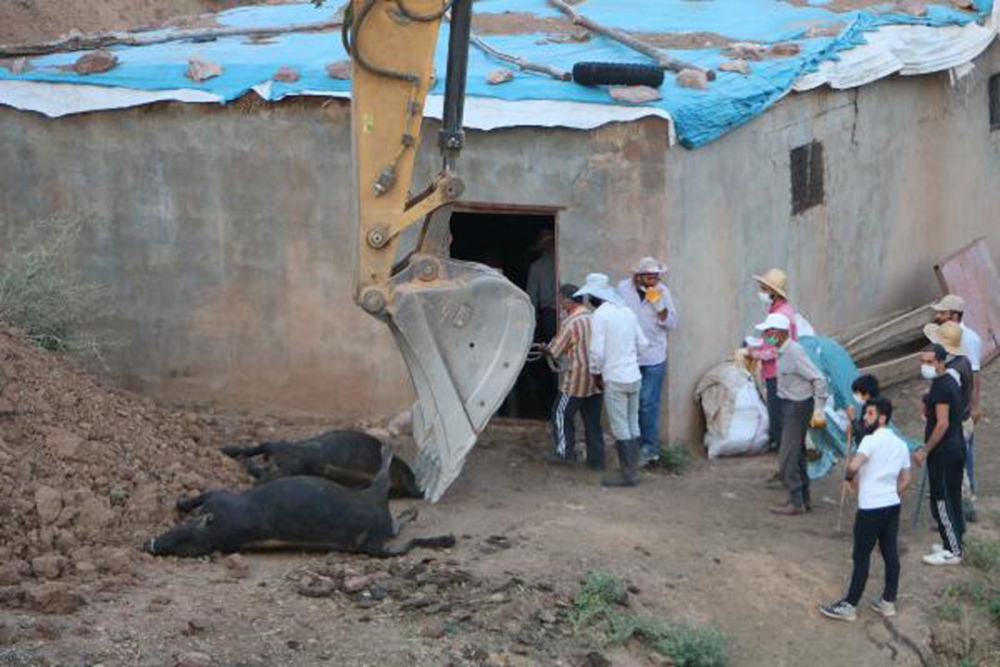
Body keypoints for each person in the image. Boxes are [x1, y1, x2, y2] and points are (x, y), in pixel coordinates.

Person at [820, 397, 911, 622]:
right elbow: (906, 480)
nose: (864, 418)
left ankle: (850, 605)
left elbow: (852, 466)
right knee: (890, 552)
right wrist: (891, 493)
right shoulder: (900, 444)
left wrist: (850, 480)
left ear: (882, 418)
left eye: (869, 414)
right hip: (891, 505)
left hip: (871, 508)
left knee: (861, 556)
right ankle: (888, 602)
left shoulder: (870, 441)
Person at [576, 273, 649, 487]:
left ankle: (627, 474)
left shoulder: (601, 315)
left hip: (615, 377)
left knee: (620, 427)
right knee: (633, 423)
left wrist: (596, 373)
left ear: (594, 297)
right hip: (634, 375)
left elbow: (596, 352)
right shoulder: (627, 312)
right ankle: (632, 470)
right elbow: (643, 343)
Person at [755, 313, 828, 516]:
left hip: (797, 406)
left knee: (787, 456)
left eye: (768, 332)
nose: (765, 335)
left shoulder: (793, 352)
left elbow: (818, 378)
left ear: (779, 333)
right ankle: (803, 499)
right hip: (790, 404)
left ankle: (796, 500)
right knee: (797, 454)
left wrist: (820, 408)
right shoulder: (781, 351)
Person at [616, 257, 678, 466]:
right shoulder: (624, 289)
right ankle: (633, 446)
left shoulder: (662, 292)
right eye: (649, 276)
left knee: (647, 403)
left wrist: (660, 308)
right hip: (629, 355)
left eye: (656, 276)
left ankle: (650, 448)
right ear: (639, 276)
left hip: (653, 356)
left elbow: (673, 322)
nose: (654, 280)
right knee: (631, 402)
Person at [931, 294, 984, 521]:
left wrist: (974, 406)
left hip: (958, 411)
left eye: (942, 313)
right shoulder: (946, 337)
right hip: (950, 408)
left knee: (960, 457)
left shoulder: (968, 339)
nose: (938, 316)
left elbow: (974, 375)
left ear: (953, 315)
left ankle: (963, 508)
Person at [913, 344, 966, 566]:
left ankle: (952, 551)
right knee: (951, 497)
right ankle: (951, 541)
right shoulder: (945, 382)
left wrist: (924, 450)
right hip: (953, 448)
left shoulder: (943, 387)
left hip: (944, 451)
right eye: (923, 362)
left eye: (929, 362)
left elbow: (942, 423)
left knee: (942, 500)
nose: (925, 366)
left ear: (941, 362)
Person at [547, 283, 604, 469]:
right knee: (593, 421)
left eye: (561, 300)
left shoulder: (571, 322)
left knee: (560, 413)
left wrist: (545, 348)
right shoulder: (593, 317)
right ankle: (596, 460)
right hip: (596, 379)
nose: (560, 304)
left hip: (577, 379)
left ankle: (564, 452)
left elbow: (556, 350)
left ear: (568, 301)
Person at [747, 268, 798, 455]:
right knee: (777, 414)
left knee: (779, 416)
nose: (761, 292)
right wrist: (757, 345)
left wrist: (755, 354)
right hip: (775, 371)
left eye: (763, 288)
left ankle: (784, 456)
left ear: (774, 292)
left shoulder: (782, 315)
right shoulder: (777, 311)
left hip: (779, 371)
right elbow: (771, 339)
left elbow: (778, 347)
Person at [849, 375, 881, 448]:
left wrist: (853, 418)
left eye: (857, 393)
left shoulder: (872, 409)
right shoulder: (868, 404)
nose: (855, 396)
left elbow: (864, 434)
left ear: (867, 394)